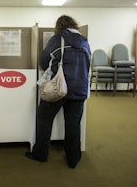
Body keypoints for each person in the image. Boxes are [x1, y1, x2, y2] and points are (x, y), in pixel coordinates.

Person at [26, 15, 91, 168]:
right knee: (73, 124)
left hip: (58, 87)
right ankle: (73, 158)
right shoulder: (85, 41)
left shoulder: (57, 39)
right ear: (74, 25)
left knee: (44, 118)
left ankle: (41, 154)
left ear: (59, 26)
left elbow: (43, 62)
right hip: (80, 89)